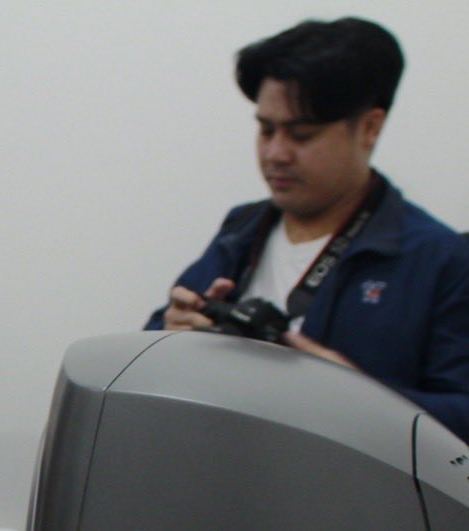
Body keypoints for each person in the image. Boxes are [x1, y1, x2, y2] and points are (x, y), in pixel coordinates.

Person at [146, 17, 469, 443]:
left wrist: (355, 395)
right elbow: (146, 359)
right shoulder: (241, 229)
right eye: (266, 129)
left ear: (369, 128)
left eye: (301, 134)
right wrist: (170, 335)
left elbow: (462, 423)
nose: (275, 153)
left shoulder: (441, 259)